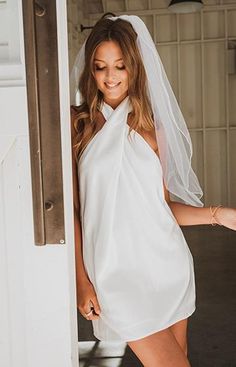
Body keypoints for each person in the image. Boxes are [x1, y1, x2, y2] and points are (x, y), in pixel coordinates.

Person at [70, 13, 236, 367]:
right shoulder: (78, 125)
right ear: (91, 70)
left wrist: (218, 214)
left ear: (135, 68)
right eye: (100, 67)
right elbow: (73, 211)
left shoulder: (152, 127)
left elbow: (162, 206)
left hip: (166, 264)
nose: (110, 77)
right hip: (114, 273)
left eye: (120, 66)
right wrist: (81, 281)